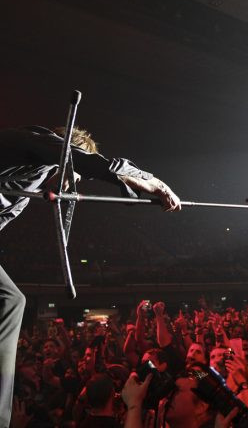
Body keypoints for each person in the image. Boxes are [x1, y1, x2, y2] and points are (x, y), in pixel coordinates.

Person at [0, 124, 181, 428]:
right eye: (77, 173)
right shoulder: (45, 146)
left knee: (12, 299)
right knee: (11, 300)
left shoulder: (38, 171)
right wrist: (152, 183)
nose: (77, 182)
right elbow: (85, 161)